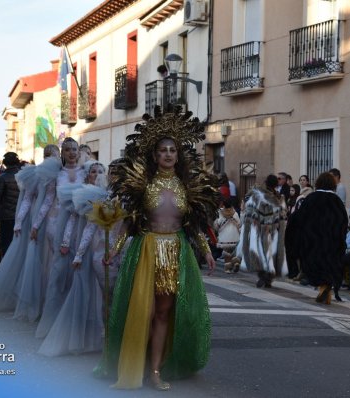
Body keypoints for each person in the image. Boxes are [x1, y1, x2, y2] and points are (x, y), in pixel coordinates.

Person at [94, 108, 218, 390]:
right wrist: (114, 250)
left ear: (178, 154)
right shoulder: (143, 183)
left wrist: (206, 251)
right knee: (144, 312)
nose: (168, 154)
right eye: (162, 150)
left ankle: (155, 370)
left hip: (177, 251)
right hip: (147, 251)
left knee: (164, 314)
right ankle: (133, 365)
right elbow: (129, 224)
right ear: (154, 155)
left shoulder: (187, 186)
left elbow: (193, 224)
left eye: (173, 150)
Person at [0, 145, 61, 313]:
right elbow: (28, 200)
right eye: (49, 155)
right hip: (39, 220)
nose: (52, 159)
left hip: (53, 219)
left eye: (54, 155)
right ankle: (39, 300)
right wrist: (21, 221)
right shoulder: (35, 175)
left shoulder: (62, 174)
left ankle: (50, 299)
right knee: (38, 258)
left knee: (50, 259)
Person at [38, 160, 107, 356]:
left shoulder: (109, 195)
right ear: (88, 175)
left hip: (103, 247)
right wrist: (67, 244)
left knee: (102, 292)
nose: (97, 174)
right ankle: (82, 334)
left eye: (101, 171)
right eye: (94, 172)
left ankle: (102, 331)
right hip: (85, 248)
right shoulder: (82, 195)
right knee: (84, 289)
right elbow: (72, 221)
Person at [290, 172, 348, 304]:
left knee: (315, 265)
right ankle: (326, 288)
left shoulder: (312, 198)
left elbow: (300, 217)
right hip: (332, 239)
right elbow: (343, 221)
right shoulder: (337, 201)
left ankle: (323, 289)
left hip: (313, 239)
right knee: (329, 264)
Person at [238, 174, 286, 286]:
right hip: (274, 230)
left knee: (259, 252)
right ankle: (268, 278)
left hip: (259, 228)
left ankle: (263, 276)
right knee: (272, 253)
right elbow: (283, 214)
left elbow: (250, 210)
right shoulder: (278, 197)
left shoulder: (257, 194)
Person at [0, 152, 21, 260]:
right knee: (18, 244)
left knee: (6, 244)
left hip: (6, 216)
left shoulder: (2, 178)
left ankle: (5, 269)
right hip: (21, 214)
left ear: (5, 163)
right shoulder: (22, 176)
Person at [214, 198, 241, 273]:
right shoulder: (234, 212)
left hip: (225, 235)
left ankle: (228, 268)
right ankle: (236, 262)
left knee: (226, 252)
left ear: (224, 204)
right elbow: (239, 223)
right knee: (232, 251)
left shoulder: (220, 212)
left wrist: (216, 223)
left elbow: (219, 222)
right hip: (234, 234)